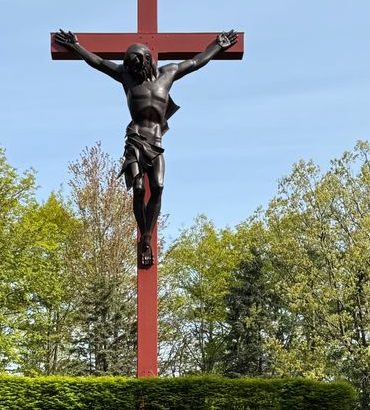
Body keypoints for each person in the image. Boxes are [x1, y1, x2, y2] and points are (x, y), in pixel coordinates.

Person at [54, 29, 237, 267]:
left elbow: (195, 62)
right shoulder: (126, 78)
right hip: (136, 140)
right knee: (139, 189)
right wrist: (76, 47)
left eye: (135, 63)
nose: (132, 69)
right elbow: (98, 62)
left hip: (157, 141)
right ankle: (145, 237)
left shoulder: (168, 74)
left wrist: (218, 47)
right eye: (129, 65)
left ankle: (147, 234)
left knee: (158, 187)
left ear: (147, 60)